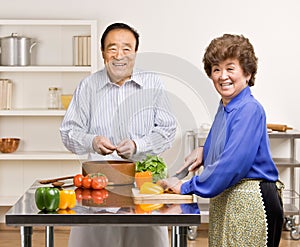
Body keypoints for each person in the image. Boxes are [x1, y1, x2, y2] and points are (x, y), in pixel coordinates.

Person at [158, 34, 284, 247]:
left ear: (248, 73)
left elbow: (231, 165)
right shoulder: (226, 106)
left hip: (251, 203)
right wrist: (204, 151)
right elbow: (225, 143)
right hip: (229, 201)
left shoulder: (249, 109)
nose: (222, 76)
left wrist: (186, 186)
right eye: (216, 69)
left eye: (230, 68)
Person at [60, 22, 176, 247]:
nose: (119, 55)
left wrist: (138, 145)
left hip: (144, 186)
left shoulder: (153, 83)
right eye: (112, 48)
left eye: (126, 48)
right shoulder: (88, 86)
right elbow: (68, 132)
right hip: (98, 186)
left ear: (135, 52)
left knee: (146, 241)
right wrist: (92, 141)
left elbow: (167, 131)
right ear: (103, 53)